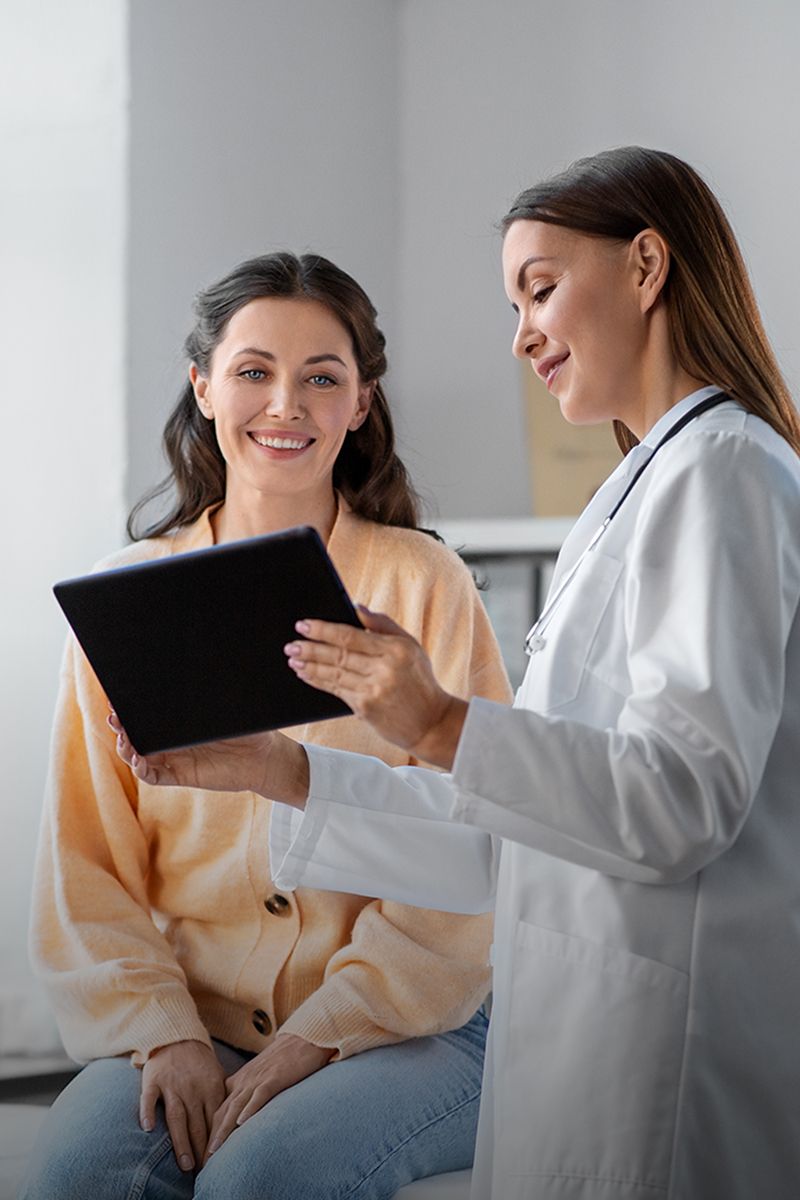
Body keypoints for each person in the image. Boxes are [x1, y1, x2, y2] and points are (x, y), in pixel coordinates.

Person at [114, 147, 800, 1200]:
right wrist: (277, 771)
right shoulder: (645, 487)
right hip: (582, 1031)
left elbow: (679, 803)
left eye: (538, 288)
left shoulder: (723, 476)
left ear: (646, 265)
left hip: (664, 1058)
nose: (520, 334)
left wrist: (434, 720)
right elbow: (512, 835)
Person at [23, 252, 512, 1200]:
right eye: (254, 372)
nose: (285, 404)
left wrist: (314, 1036)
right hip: (188, 1014)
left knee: (260, 1180)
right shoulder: (126, 597)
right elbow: (84, 864)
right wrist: (165, 1030)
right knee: (84, 1180)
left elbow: (476, 852)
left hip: (418, 1020)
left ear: (360, 403)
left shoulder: (423, 585)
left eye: (321, 378)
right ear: (202, 385)